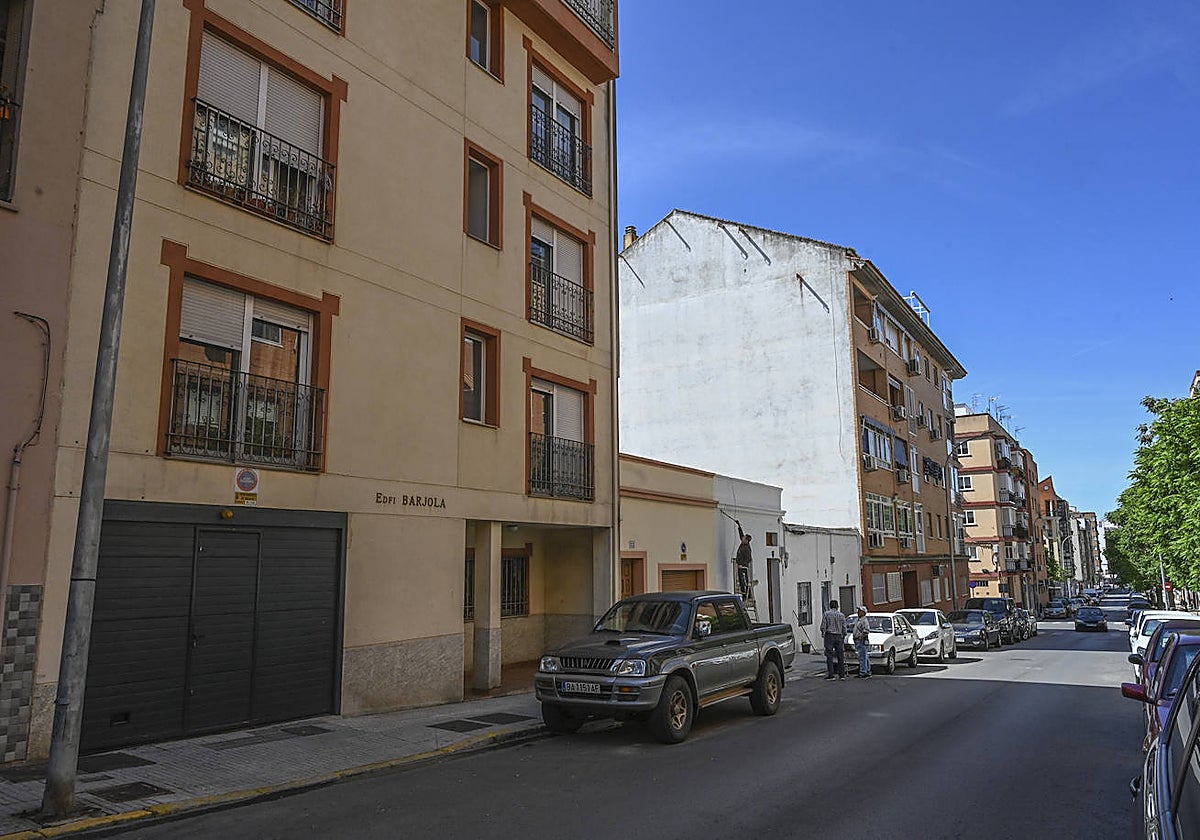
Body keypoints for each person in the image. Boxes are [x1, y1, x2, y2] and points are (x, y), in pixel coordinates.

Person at [819, 599, 847, 680]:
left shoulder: (826, 614)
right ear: (837, 606)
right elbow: (844, 626)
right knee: (840, 655)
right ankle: (842, 674)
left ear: (830, 606)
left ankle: (831, 674)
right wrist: (844, 635)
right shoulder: (841, 615)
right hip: (838, 635)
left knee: (829, 655)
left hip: (829, 635)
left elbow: (823, 625)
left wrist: (823, 633)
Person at [734, 520, 753, 599]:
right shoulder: (743, 543)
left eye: (744, 538)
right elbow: (741, 534)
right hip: (740, 566)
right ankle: (744, 594)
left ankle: (746, 595)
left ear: (747, 540)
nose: (742, 538)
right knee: (741, 581)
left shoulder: (747, 548)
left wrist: (742, 564)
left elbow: (749, 559)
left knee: (744, 581)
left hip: (743, 567)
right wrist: (739, 526)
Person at [852, 606, 872, 677]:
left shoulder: (864, 620)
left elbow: (866, 630)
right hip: (858, 640)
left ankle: (863, 672)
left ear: (863, 612)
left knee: (862, 657)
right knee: (865, 656)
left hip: (861, 640)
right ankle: (867, 670)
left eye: (860, 611)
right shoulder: (858, 620)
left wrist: (861, 637)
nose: (858, 612)